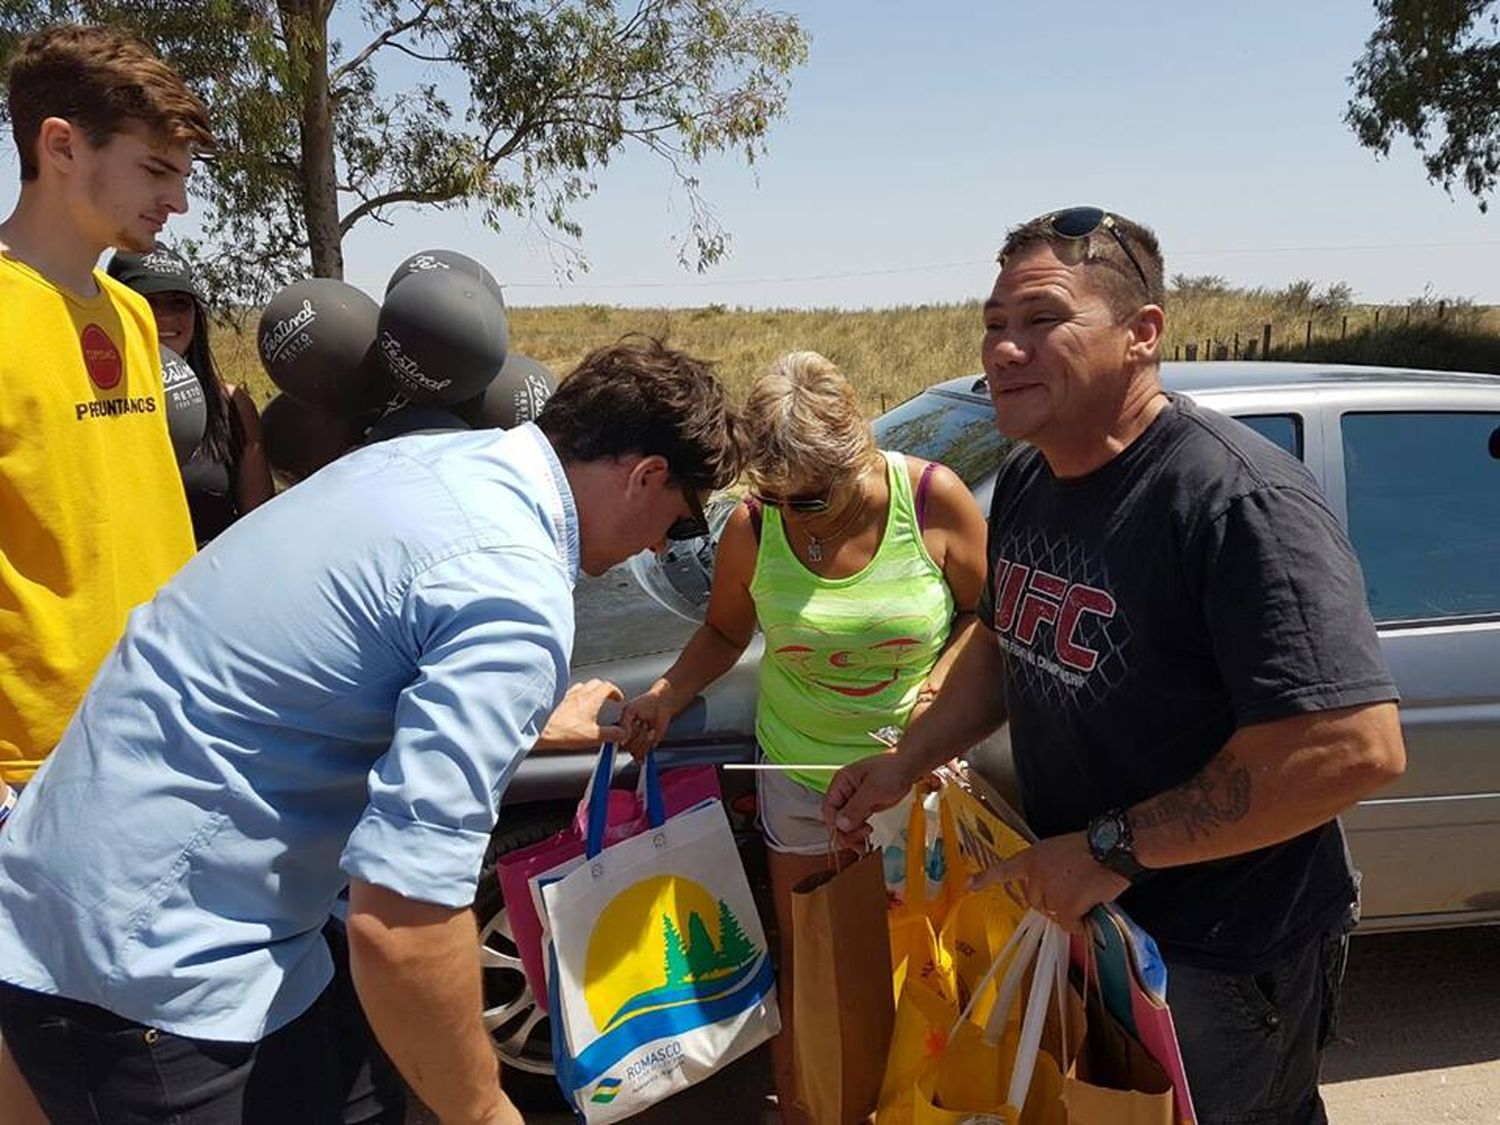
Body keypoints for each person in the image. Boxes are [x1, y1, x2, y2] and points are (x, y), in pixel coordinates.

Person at [0, 337, 742, 1125]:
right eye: (682, 520)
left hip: (80, 890)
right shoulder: (514, 588)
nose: (666, 544)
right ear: (647, 476)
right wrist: (485, 1109)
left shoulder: (423, 465)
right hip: (163, 968)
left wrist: (527, 726)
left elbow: (328, 675)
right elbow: (402, 921)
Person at [823, 207, 1407, 1124]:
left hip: (1217, 955)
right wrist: (905, 759)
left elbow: (1352, 747)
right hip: (1090, 923)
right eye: (993, 323)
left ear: (1142, 335)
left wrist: (1108, 849)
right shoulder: (1027, 479)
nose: (1003, 349)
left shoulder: (1233, 500)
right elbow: (1007, 638)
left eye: (1042, 320)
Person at [620, 351, 987, 1124]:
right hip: (797, 773)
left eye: (811, 497)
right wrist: (666, 692)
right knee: (814, 958)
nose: (796, 515)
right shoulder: (758, 525)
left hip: (911, 774)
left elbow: (989, 620)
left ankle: (921, 1102)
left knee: (917, 952)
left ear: (857, 453)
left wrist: (936, 689)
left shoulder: (930, 501)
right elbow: (726, 628)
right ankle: (816, 1104)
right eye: (776, 496)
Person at [0, 23, 211, 813]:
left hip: (159, 733)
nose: (179, 201)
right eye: (156, 168)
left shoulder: (128, 310)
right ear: (60, 147)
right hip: (32, 774)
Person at [108, 247, 276, 543]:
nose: (165, 318)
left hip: (210, 583)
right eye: (148, 302)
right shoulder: (89, 407)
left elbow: (259, 532)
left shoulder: (233, 407)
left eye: (179, 303)